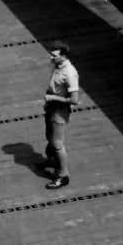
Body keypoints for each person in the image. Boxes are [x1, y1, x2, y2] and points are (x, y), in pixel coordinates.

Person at [42, 43, 79, 187]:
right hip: (51, 107)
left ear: (63, 56)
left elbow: (74, 100)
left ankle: (63, 175)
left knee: (57, 144)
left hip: (60, 111)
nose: (50, 58)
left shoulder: (69, 72)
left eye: (54, 56)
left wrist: (53, 98)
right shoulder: (58, 66)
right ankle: (52, 161)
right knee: (49, 136)